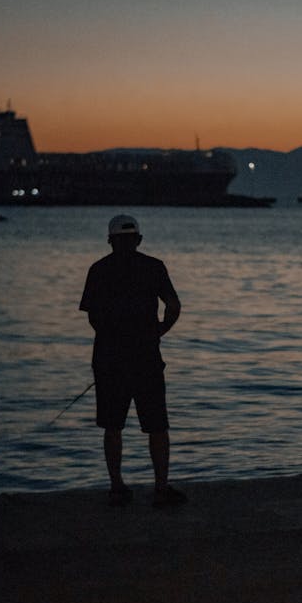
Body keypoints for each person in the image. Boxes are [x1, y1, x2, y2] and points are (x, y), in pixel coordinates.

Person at [79, 214, 186, 508]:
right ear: (138, 240)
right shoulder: (153, 267)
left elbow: (92, 317)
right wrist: (159, 331)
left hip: (109, 359)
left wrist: (114, 338)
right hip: (147, 358)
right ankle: (161, 489)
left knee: (112, 426)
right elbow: (174, 306)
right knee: (157, 426)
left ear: (110, 241)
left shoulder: (98, 270)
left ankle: (117, 487)